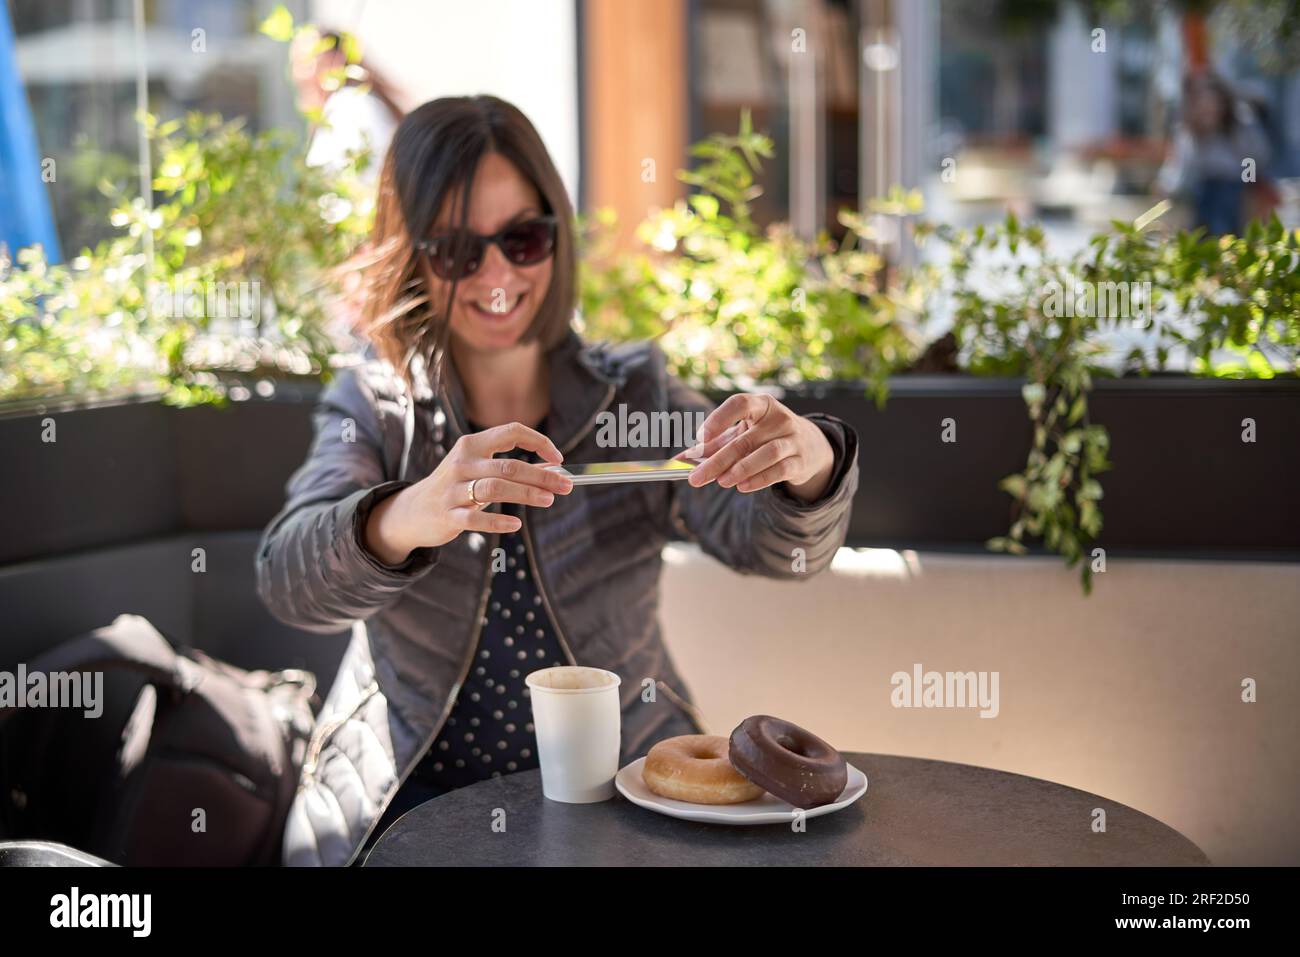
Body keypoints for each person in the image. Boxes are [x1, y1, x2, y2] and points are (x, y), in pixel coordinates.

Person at [255, 95, 859, 866]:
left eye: (523, 238)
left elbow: (780, 552)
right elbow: (287, 582)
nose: (498, 274)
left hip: (618, 799)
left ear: (556, 236)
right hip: (405, 800)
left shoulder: (632, 396)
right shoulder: (376, 408)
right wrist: (407, 514)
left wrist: (807, 463)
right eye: (456, 251)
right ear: (411, 254)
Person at [1156, 71, 1272, 235]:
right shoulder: (1190, 131)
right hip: (1202, 191)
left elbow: (1252, 157)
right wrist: (1168, 186)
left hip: (1233, 188)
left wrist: (1249, 185)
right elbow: (1183, 165)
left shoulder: (1240, 122)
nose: (1208, 108)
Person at [291, 28, 403, 185]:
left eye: (304, 63)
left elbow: (359, 186)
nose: (296, 74)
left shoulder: (350, 108)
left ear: (333, 61)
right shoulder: (346, 107)